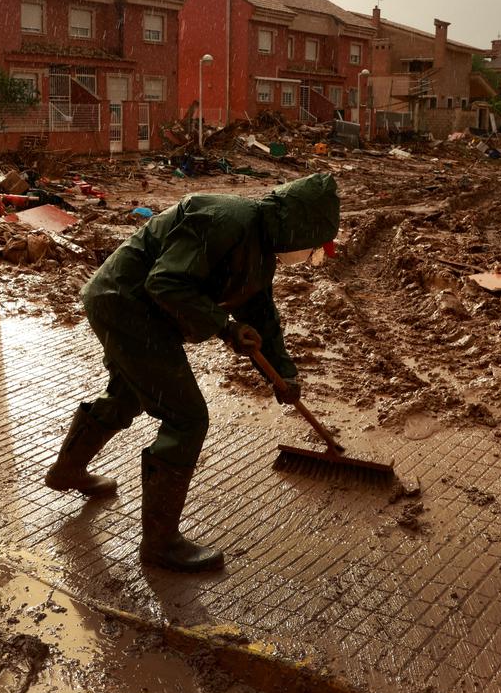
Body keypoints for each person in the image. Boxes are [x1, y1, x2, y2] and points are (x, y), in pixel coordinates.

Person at [44, 173, 340, 572]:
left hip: (141, 310)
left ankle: (67, 471)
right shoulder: (226, 219)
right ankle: (160, 545)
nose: (306, 256)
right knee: (187, 418)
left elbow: (261, 318)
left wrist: (283, 375)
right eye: (311, 247)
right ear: (298, 227)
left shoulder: (260, 249)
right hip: (126, 304)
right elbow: (165, 282)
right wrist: (225, 327)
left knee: (128, 394)